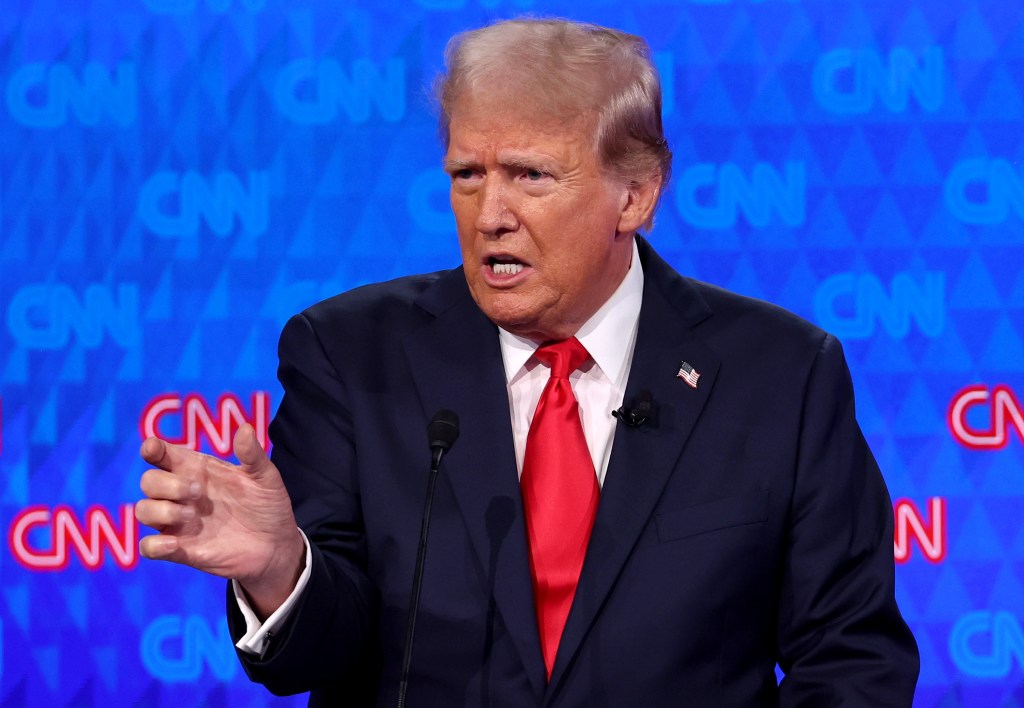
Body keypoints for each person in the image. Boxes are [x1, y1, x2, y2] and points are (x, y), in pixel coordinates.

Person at [136, 17, 920, 706]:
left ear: (636, 195)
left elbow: (851, 657)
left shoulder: (780, 373)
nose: (491, 215)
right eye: (467, 176)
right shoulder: (348, 354)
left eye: (531, 176)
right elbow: (318, 655)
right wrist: (280, 569)